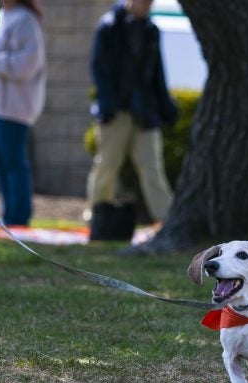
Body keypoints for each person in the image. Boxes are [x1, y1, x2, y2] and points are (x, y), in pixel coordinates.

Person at [85, 0, 178, 228]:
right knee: (107, 164)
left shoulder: (150, 30)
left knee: (152, 166)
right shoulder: (109, 26)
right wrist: (108, 107)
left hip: (145, 110)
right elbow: (100, 69)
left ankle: (166, 220)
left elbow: (157, 72)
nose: (146, 5)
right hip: (117, 110)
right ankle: (98, 216)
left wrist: (165, 107)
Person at [0, 0, 46, 226]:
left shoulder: (26, 20)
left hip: (13, 107)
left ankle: (19, 217)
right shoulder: (0, 15)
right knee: (0, 163)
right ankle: (8, 216)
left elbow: (27, 64)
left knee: (14, 163)